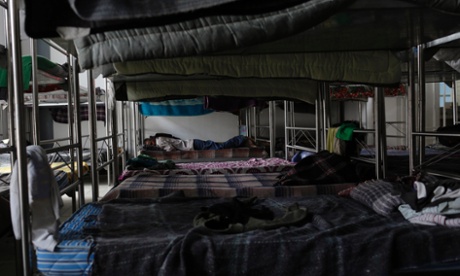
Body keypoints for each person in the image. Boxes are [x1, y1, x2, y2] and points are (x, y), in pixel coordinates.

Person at [144, 134, 257, 151]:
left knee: (219, 148)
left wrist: (159, 149)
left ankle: (242, 138)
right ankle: (242, 142)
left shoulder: (159, 141)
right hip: (193, 144)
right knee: (218, 147)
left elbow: (170, 148)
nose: (153, 145)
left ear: (152, 139)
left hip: (193, 144)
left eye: (151, 143)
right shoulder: (159, 140)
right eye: (151, 145)